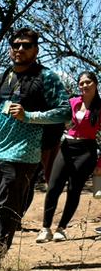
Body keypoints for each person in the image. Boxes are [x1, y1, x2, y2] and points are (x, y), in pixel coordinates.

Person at [0, 28, 69, 271]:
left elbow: (64, 112)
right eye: (16, 45)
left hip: (22, 154)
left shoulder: (47, 77)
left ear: (36, 50)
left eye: (26, 45)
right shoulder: (4, 74)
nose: (20, 49)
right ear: (10, 48)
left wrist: (30, 116)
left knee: (8, 210)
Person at [37, 71, 101, 242]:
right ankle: (45, 228)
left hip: (86, 151)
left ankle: (61, 228)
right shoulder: (72, 102)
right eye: (81, 83)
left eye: (88, 82)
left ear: (95, 84)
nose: (84, 86)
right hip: (66, 146)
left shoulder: (99, 108)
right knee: (53, 187)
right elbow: (55, 112)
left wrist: (100, 164)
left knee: (74, 190)